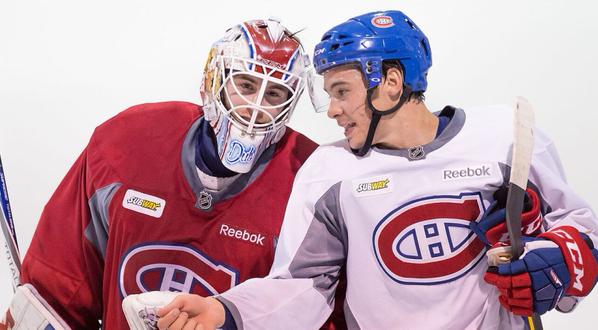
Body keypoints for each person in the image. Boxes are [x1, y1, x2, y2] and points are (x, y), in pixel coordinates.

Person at [153, 10, 598, 330]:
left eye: (342, 91)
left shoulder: (507, 134)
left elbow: (580, 228)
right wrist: (228, 312)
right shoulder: (329, 172)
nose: (332, 110)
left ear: (390, 83)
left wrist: (558, 258)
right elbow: (304, 288)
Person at [0, 18, 347, 329]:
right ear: (213, 80)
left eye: (274, 93)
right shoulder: (128, 142)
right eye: (245, 84)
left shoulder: (311, 176)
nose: (256, 108)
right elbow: (63, 277)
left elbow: (316, 305)